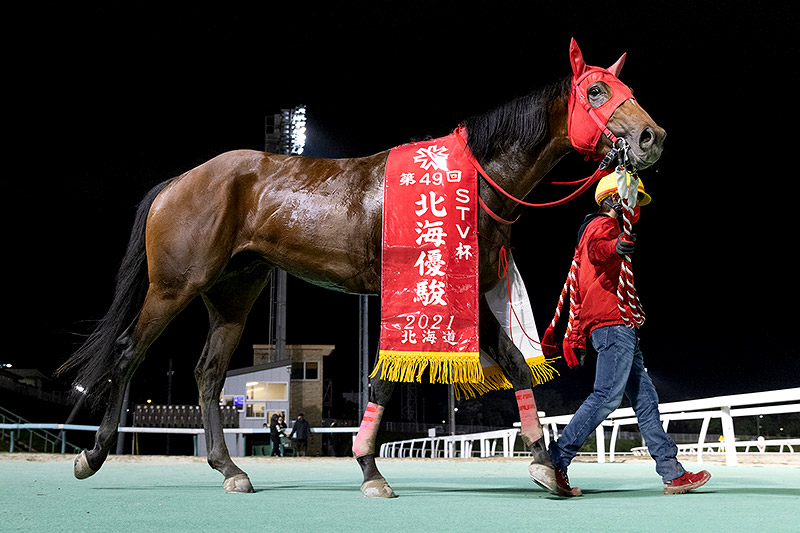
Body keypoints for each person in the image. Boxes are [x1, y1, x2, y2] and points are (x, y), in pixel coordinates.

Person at [544, 172, 711, 497]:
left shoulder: (595, 228)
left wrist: (578, 335)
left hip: (618, 325)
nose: (634, 206)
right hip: (613, 324)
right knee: (606, 396)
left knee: (646, 401)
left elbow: (586, 277)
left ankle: (672, 473)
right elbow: (599, 250)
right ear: (613, 199)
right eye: (630, 199)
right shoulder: (600, 227)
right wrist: (617, 246)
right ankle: (556, 458)